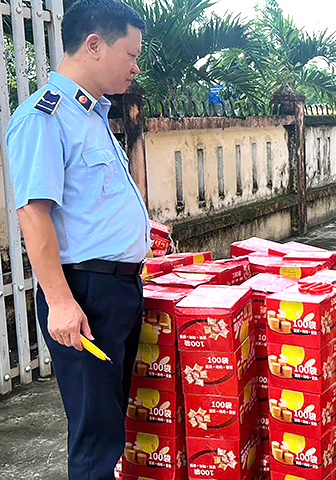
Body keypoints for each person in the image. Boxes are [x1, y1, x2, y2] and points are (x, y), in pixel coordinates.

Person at [6, 1, 149, 478]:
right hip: (85, 295)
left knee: (112, 424)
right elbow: (33, 213)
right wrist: (61, 303)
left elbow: (90, 203)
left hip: (117, 290)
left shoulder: (90, 114)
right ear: (94, 45)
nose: (135, 66)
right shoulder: (44, 116)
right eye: (130, 54)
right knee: (96, 437)